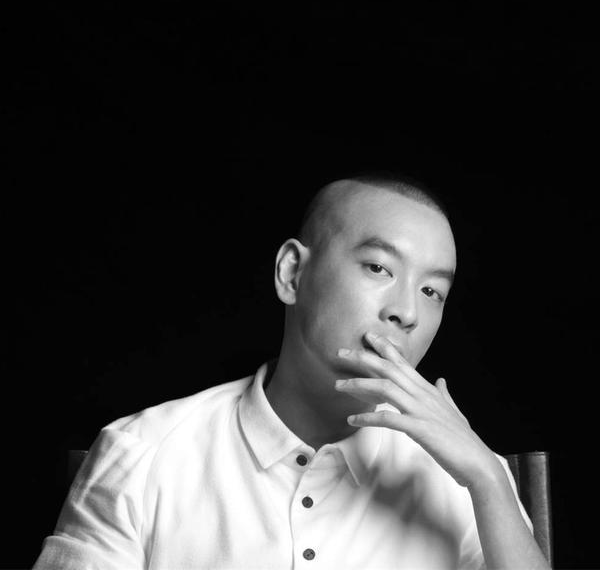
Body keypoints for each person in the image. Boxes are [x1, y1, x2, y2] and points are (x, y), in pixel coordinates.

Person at [33, 173, 550, 569]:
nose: (406, 312)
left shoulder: (466, 479)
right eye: (378, 267)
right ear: (292, 273)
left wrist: (488, 480)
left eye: (432, 290)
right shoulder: (143, 454)